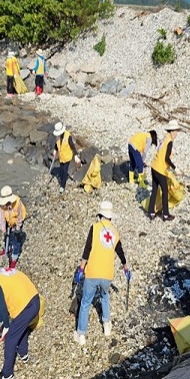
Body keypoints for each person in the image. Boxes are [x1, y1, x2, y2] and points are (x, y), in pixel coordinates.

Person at [73, 201, 130, 345]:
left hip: (92, 273)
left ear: (100, 214)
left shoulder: (95, 227)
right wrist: (125, 267)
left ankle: (81, 335)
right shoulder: (115, 232)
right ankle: (106, 326)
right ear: (110, 216)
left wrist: (81, 269)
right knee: (105, 297)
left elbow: (87, 250)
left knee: (86, 302)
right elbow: (120, 251)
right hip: (107, 274)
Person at [0, 259, 40, 379]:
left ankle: (7, 374)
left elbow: (3, 309)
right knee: (21, 326)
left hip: (25, 306)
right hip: (34, 299)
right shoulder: (2, 272)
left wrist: (6, 327)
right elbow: (5, 303)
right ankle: (23, 354)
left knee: (11, 337)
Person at [147, 120, 183, 221]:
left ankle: (151, 212)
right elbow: (167, 158)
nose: (176, 134)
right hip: (159, 169)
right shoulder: (169, 142)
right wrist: (176, 169)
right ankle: (165, 215)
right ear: (172, 131)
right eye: (176, 131)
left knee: (154, 190)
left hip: (154, 166)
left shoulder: (164, 138)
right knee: (165, 191)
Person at [0, 185, 27, 268]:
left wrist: (17, 228)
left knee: (16, 240)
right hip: (8, 219)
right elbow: (2, 218)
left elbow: (20, 217)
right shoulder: (1, 205)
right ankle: (6, 248)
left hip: (17, 220)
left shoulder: (17, 203)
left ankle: (14, 257)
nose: (7, 204)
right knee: (8, 235)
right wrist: (3, 229)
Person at [53, 121, 81, 194]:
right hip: (61, 157)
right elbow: (56, 145)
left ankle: (62, 186)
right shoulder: (57, 137)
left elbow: (73, 147)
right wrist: (55, 150)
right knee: (61, 170)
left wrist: (75, 156)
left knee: (65, 171)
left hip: (67, 157)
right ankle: (62, 178)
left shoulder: (68, 136)